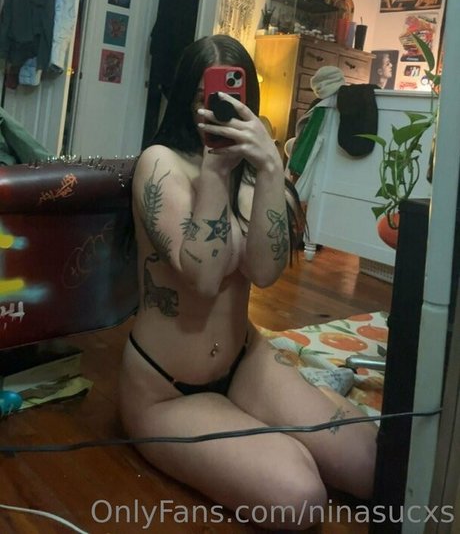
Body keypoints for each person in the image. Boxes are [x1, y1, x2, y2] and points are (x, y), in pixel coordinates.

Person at [118, 35, 377, 530]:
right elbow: (204, 277)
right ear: (186, 99)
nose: (214, 109)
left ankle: (298, 405)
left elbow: (265, 271)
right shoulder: (161, 163)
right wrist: (216, 169)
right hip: (164, 389)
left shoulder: (256, 173)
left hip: (243, 359)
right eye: (203, 98)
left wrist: (271, 166)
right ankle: (283, 419)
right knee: (300, 498)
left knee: (369, 463)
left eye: (227, 98)